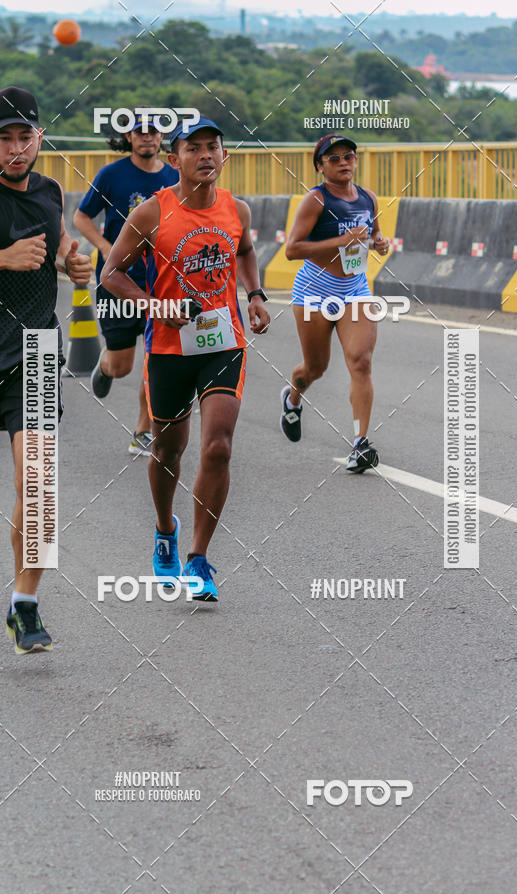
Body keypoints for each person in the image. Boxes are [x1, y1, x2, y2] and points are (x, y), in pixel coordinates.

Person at [101, 116, 270, 602]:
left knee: (217, 446)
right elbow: (111, 274)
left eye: (212, 147)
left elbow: (245, 250)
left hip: (224, 343)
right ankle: (163, 528)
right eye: (193, 148)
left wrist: (255, 293)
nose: (205, 156)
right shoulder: (153, 213)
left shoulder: (237, 208)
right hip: (168, 348)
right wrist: (157, 306)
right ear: (174, 160)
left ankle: (198, 558)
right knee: (168, 450)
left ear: (224, 156)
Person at [0, 86, 91, 652]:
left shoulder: (50, 192)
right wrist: (1, 260)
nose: (16, 148)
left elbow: (55, 250)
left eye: (25, 136)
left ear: (39, 138)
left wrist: (71, 264)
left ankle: (24, 604)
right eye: (4, 137)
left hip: (33, 350)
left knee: (39, 482)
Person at [279, 133, 389, 472]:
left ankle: (360, 442)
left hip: (354, 288)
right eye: (334, 158)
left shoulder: (368, 198)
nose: (344, 162)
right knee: (315, 368)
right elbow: (292, 250)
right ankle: (293, 397)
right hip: (315, 289)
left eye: (349, 156)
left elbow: (370, 236)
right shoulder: (316, 200)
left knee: (361, 361)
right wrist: (340, 240)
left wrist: (378, 244)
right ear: (320, 167)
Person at [74, 113, 178, 456]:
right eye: (140, 132)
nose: (147, 138)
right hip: (116, 280)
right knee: (123, 366)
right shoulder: (112, 175)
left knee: (158, 359)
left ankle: (143, 431)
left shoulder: (174, 176)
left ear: (161, 137)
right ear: (129, 137)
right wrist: (104, 248)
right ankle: (106, 364)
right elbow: (81, 216)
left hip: (161, 284)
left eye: (153, 132)